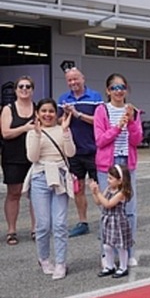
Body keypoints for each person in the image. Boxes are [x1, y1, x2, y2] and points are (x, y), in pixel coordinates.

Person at [93, 73, 143, 266]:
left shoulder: (133, 111)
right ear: (108, 91)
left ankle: (128, 253)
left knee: (129, 210)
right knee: (107, 209)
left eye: (122, 87)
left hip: (127, 164)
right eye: (114, 87)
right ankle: (107, 255)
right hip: (108, 163)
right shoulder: (101, 111)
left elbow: (137, 140)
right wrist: (117, 127)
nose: (119, 91)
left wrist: (130, 122)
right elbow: (100, 140)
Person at [24, 98, 76, 280]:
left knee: (60, 223)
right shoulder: (32, 133)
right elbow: (32, 157)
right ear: (37, 114)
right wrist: (38, 134)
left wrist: (66, 131)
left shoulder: (62, 130)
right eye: (43, 111)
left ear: (56, 113)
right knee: (43, 224)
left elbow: (71, 153)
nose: (47, 114)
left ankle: (61, 262)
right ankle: (44, 259)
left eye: (51, 111)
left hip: (60, 177)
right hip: (40, 177)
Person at [57, 67, 103, 237]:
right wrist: (66, 114)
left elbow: (100, 121)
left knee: (99, 187)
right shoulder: (63, 99)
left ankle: (106, 221)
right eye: (69, 80)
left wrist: (77, 114)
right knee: (78, 188)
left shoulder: (95, 97)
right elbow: (58, 121)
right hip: (73, 152)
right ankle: (83, 222)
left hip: (93, 150)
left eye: (76, 79)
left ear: (83, 78)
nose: (73, 82)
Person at [1, 76, 36, 245]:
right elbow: (5, 133)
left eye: (28, 86)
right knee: (14, 193)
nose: (24, 89)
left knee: (35, 194)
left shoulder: (37, 108)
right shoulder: (8, 109)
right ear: (15, 90)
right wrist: (25, 128)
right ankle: (11, 231)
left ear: (32, 90)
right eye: (21, 86)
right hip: (13, 157)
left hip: (34, 157)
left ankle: (36, 229)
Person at [89, 164, 134, 279]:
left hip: (118, 220)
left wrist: (98, 193)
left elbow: (108, 204)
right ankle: (109, 266)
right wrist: (94, 192)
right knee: (107, 245)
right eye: (108, 177)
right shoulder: (109, 189)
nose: (108, 180)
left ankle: (123, 267)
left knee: (120, 246)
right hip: (108, 220)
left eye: (110, 178)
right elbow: (99, 202)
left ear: (120, 181)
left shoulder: (121, 193)